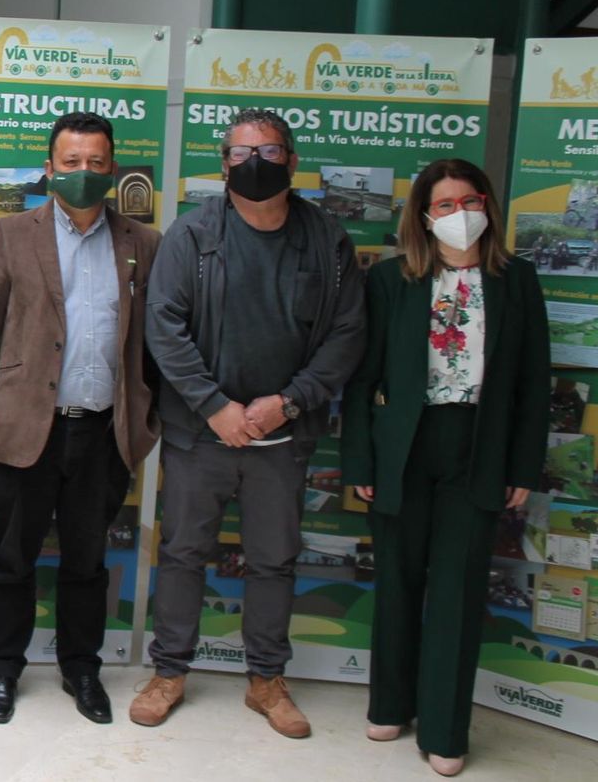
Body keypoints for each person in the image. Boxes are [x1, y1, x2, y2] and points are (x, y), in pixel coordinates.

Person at [134, 108, 364, 736]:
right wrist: (216, 407)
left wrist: (285, 403)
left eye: (268, 151)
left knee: (274, 559)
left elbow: (346, 335)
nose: (254, 163)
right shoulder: (191, 235)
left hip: (283, 433)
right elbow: (165, 326)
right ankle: (169, 672)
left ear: (291, 159)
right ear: (223, 163)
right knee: (182, 552)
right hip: (199, 431)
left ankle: (266, 680)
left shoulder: (327, 239)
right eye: (241, 153)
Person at [342, 159, 549, 777]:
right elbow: (362, 378)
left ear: (487, 205)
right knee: (399, 581)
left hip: (479, 449)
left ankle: (444, 727)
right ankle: (391, 703)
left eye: (469, 200)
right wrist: (360, 457)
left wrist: (522, 466)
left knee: (457, 591)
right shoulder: (389, 281)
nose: (459, 215)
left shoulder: (517, 280)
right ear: (423, 217)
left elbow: (535, 385)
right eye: (444, 205)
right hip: (404, 446)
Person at [0, 112, 161, 725]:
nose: (83, 173)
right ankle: (3, 667)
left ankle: (81, 667)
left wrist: (144, 425)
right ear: (50, 168)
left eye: (96, 163)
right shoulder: (14, 234)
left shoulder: (143, 244)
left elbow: (155, 345)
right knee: (13, 556)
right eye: (71, 163)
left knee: (86, 560)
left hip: (103, 431)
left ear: (113, 170)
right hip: (24, 429)